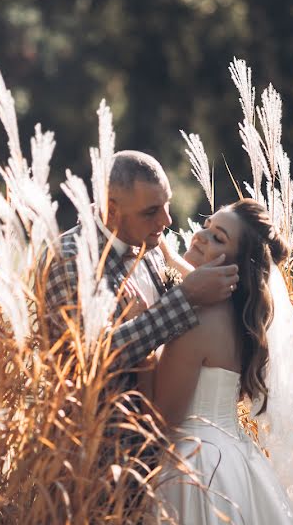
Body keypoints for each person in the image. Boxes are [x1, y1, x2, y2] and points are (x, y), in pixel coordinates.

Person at [38, 150, 241, 499]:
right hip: (94, 468)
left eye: (166, 205)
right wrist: (184, 299)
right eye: (151, 212)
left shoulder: (147, 246)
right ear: (111, 210)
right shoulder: (71, 258)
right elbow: (91, 358)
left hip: (154, 463)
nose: (167, 220)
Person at [144, 199, 293, 525]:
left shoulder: (196, 320)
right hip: (232, 461)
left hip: (194, 470)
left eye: (218, 238)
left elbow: (162, 420)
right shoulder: (241, 320)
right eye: (206, 227)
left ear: (236, 265)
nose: (200, 237)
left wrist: (141, 348)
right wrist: (170, 257)